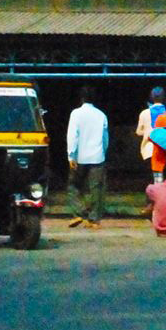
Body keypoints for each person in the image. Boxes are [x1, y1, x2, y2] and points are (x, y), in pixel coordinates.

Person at [64, 88, 110, 228]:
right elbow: (105, 137)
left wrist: (71, 155)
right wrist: (104, 151)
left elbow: (72, 135)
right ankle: (94, 219)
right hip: (97, 156)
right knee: (96, 189)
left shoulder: (76, 114)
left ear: (81, 99)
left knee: (74, 186)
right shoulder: (101, 115)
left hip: (79, 157)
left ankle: (79, 213)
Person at [135, 86, 165, 189]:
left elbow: (138, 132)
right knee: (163, 179)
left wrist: (148, 131)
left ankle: (151, 202)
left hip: (149, 149)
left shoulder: (144, 113)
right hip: (165, 150)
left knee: (152, 181)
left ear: (151, 98)